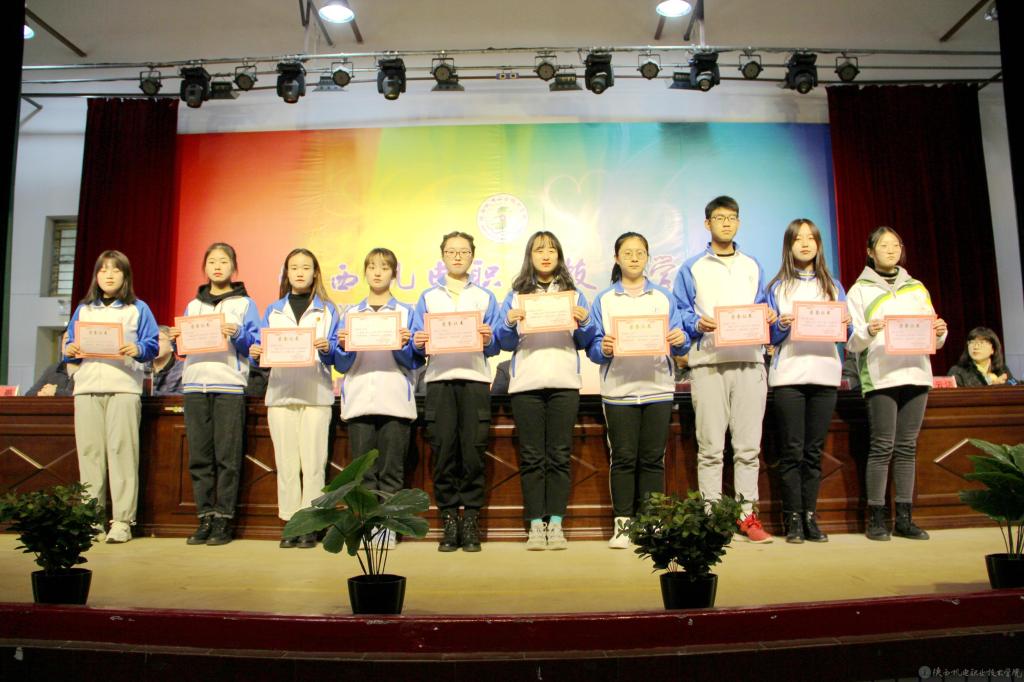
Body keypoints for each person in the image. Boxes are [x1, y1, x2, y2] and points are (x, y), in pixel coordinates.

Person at [673, 196, 778, 543]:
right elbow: (680, 313)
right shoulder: (692, 267)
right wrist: (696, 323)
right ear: (707, 224)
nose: (726, 223)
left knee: (748, 449)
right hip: (709, 363)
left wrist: (769, 315)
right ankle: (712, 518)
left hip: (749, 362)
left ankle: (747, 517)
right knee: (711, 449)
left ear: (739, 222)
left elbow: (763, 305)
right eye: (719, 218)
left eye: (732, 217)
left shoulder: (752, 264)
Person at [495, 231, 597, 550]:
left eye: (552, 250)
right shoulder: (516, 295)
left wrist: (585, 322)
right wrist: (508, 322)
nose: (546, 255)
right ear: (530, 256)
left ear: (559, 256)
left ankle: (556, 523)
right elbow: (504, 342)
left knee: (559, 455)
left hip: (564, 382)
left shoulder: (573, 295)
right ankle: (535, 525)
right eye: (539, 250)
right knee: (531, 456)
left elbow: (585, 342)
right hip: (526, 383)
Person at [587, 231, 689, 549]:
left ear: (647, 257)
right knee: (623, 458)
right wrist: (602, 348)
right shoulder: (604, 299)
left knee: (653, 459)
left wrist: (680, 340)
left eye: (640, 252)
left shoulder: (663, 297)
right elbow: (593, 347)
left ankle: (652, 522)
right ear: (616, 258)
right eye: (627, 252)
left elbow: (681, 339)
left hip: (658, 387)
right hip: (619, 391)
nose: (634, 257)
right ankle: (623, 524)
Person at [846, 226, 947, 541]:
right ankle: (876, 518)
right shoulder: (859, 290)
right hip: (881, 376)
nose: (891, 250)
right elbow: (851, 342)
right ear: (870, 251)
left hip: (917, 374)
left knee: (907, 447)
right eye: (883, 245)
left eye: (896, 245)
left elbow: (934, 336)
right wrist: (869, 331)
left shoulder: (917, 287)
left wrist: (941, 331)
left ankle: (904, 518)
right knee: (882, 446)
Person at [411, 231, 501, 553]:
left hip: (475, 380)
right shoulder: (428, 298)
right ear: (443, 256)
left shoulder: (485, 297)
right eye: (451, 251)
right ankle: (449, 521)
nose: (458, 256)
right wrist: (418, 341)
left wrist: (489, 338)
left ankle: (471, 521)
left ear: (472, 256)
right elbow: (416, 344)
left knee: (473, 454)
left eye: (464, 251)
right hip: (439, 382)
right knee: (444, 452)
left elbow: (496, 344)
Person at [64, 250, 159, 543]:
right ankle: (91, 520)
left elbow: (152, 345)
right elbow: (69, 344)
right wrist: (70, 350)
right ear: (96, 276)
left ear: (125, 276)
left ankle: (122, 521)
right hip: (87, 388)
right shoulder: (84, 309)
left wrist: (138, 349)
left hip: (123, 388)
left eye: (115, 270)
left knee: (122, 453)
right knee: (89, 454)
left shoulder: (137, 308)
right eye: (103, 270)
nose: (108, 275)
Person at [168, 243, 260, 546]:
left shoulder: (245, 304)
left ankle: (224, 519)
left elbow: (256, 346)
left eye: (223, 261)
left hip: (229, 386)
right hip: (195, 386)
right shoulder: (193, 306)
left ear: (233, 267)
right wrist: (176, 339)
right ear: (205, 267)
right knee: (200, 457)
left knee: (227, 457)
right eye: (212, 262)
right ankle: (204, 516)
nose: (217, 267)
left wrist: (239, 333)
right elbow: (183, 351)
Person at [766, 219, 850, 544]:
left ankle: (811, 517)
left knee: (814, 452)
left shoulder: (833, 286)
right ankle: (792, 519)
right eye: (798, 238)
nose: (805, 243)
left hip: (825, 374)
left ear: (818, 244)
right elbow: (767, 335)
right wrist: (781, 325)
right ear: (789, 245)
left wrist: (847, 324)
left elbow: (847, 333)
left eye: (811, 238)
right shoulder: (777, 287)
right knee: (792, 451)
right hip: (788, 376)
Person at [250, 248, 340, 549]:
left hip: (316, 394)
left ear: (315, 273)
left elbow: (338, 353)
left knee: (313, 465)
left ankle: (311, 523)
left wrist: (328, 348)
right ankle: (290, 522)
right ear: (286, 273)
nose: (300, 272)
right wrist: (256, 353)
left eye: (306, 267)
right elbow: (261, 349)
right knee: (286, 465)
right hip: (280, 394)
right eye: (294, 268)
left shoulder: (328, 310)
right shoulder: (273, 310)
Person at [334, 248, 422, 550]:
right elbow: (341, 364)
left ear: (394, 274)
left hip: (395, 400)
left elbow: (415, 360)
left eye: (384, 267)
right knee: (364, 473)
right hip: (359, 401)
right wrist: (343, 346)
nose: (377, 272)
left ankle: (389, 527)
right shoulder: (350, 314)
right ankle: (368, 526)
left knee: (392, 471)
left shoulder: (407, 312)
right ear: (365, 272)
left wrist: (405, 343)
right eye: (372, 267)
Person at [948, 327, 1017, 387]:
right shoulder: (957, 371)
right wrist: (992, 386)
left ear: (993, 349)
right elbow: (958, 396)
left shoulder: (1002, 369)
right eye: (972, 342)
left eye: (981, 343)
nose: (975, 347)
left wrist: (1003, 385)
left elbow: (1014, 384)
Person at [26, 330, 76, 397]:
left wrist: (55, 392)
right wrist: (41, 393)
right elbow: (29, 394)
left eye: (73, 339)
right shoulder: (53, 369)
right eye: (67, 339)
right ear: (61, 347)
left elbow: (82, 397)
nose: (69, 343)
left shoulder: (87, 369)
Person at [150, 325, 184, 396]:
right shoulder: (140, 367)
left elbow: (181, 396)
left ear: (172, 346)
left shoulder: (182, 369)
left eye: (158, 339)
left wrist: (149, 393)